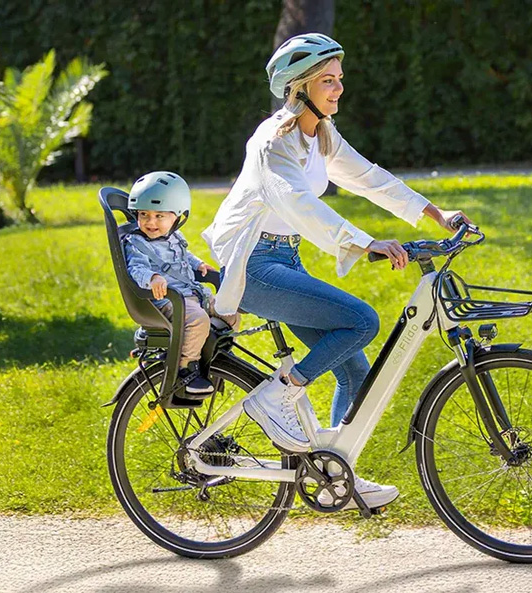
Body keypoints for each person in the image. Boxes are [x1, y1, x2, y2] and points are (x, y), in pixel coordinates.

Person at [201, 33, 473, 510]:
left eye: (339, 79)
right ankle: (277, 396)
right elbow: (298, 203)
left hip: (283, 260)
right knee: (362, 322)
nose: (339, 88)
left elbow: (368, 177)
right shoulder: (272, 141)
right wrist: (364, 243)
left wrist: (438, 214)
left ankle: (334, 469)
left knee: (354, 370)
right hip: (250, 265)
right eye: (328, 80)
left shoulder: (320, 135)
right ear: (298, 86)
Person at [121, 171, 239, 397]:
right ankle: (186, 368)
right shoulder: (136, 243)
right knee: (197, 319)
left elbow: (184, 257)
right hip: (167, 300)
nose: (150, 222)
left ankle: (218, 354)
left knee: (229, 310)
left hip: (192, 293)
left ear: (176, 217)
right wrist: (152, 278)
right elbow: (136, 268)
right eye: (143, 214)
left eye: (159, 216)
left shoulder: (174, 237)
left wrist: (199, 264)